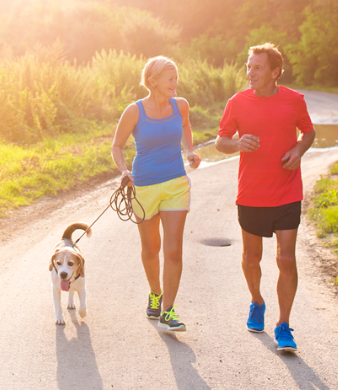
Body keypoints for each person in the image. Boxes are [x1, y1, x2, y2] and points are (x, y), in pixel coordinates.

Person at [216, 43, 315, 351]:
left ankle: (284, 324)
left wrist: (298, 150)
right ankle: (257, 301)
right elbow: (220, 141)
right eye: (249, 67)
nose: (251, 73)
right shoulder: (237, 102)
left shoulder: (294, 100)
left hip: (287, 190)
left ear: (275, 72)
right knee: (251, 257)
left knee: (286, 258)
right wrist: (236, 144)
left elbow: (308, 132)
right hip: (251, 192)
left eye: (257, 68)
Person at [111, 56, 200, 331]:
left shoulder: (180, 105)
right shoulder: (134, 111)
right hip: (144, 188)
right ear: (153, 81)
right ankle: (155, 293)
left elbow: (185, 126)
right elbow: (117, 145)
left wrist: (189, 150)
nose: (176, 83)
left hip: (175, 184)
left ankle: (169, 311)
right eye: (170, 79)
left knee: (173, 250)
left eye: (176, 78)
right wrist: (124, 171)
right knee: (151, 249)